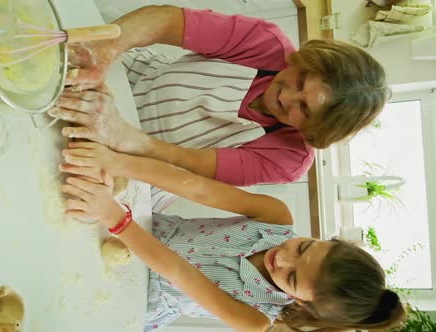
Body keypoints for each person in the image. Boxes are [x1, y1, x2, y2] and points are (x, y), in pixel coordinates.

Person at [52, 5, 390, 211]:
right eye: (300, 80)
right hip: (127, 82)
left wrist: (121, 135)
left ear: (316, 131)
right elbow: (167, 21)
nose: (287, 98)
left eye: (305, 110)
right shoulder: (266, 43)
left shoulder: (288, 160)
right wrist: (108, 49)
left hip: (134, 168)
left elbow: (191, 165)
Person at [58, 141, 406, 332]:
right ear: (324, 239)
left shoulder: (255, 318)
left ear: (304, 303)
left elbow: (179, 272)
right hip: (133, 225)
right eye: (304, 247)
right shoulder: (275, 218)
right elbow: (194, 186)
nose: (282, 258)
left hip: (129, 293)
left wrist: (114, 217)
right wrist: (115, 161)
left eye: (293, 276)